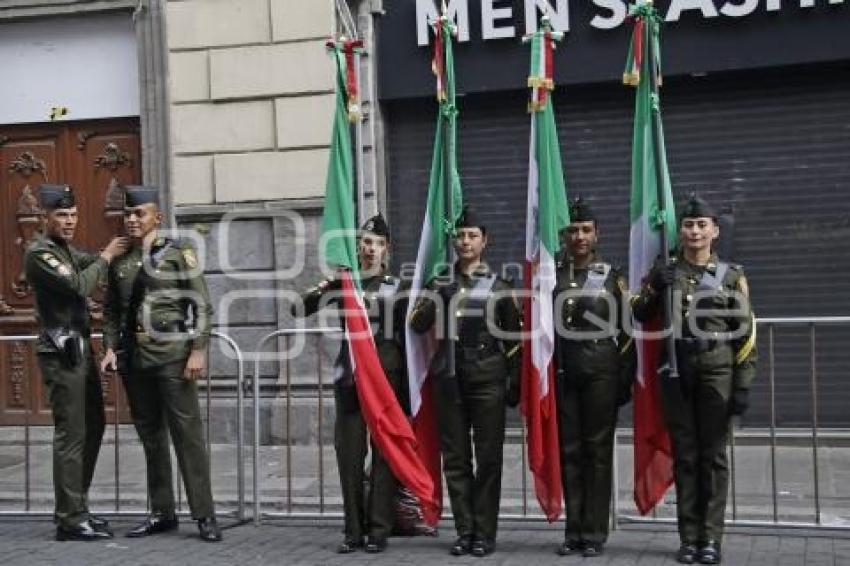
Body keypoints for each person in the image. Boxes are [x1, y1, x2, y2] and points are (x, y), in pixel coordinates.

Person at [632, 194, 757, 565]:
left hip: (717, 370)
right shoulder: (666, 271)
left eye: (702, 225)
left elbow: (747, 334)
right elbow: (639, 312)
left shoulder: (731, 276)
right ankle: (688, 537)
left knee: (713, 457)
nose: (695, 231)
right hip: (675, 370)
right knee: (686, 456)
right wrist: (656, 284)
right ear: (680, 231)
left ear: (714, 231)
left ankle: (711, 539)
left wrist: (744, 384)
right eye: (688, 225)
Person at [100, 185, 221, 542]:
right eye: (128, 214)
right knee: (151, 437)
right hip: (135, 360)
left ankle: (204, 514)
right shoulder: (121, 260)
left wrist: (198, 350)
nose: (133, 220)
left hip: (172, 357)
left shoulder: (177, 252)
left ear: (158, 217)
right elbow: (111, 312)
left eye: (140, 214)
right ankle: (161, 512)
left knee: (188, 437)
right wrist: (109, 347)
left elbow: (200, 303)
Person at [409, 206, 521, 557]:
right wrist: (435, 295)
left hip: (487, 374)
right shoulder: (441, 281)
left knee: (488, 457)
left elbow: (514, 338)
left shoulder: (500, 285)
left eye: (472, 235)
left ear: (484, 241)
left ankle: (485, 532)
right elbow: (416, 323)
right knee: (456, 459)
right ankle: (465, 529)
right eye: (460, 235)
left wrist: (513, 380)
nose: (465, 241)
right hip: (448, 376)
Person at [292, 214, 407, 554]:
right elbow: (298, 309)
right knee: (350, 456)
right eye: (365, 242)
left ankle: (379, 529)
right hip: (351, 380)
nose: (370, 249)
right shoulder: (346, 284)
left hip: (386, 379)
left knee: (384, 455)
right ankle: (353, 529)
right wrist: (330, 282)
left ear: (387, 249)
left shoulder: (396, 287)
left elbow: (409, 337)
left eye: (377, 244)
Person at [24, 184, 127, 541]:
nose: (69, 222)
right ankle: (70, 518)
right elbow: (81, 285)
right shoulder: (40, 253)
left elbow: (92, 263)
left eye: (73, 215)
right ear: (45, 217)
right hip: (60, 350)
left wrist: (122, 251)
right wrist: (108, 256)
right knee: (72, 434)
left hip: (80, 349)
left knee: (94, 426)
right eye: (61, 215)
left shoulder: (64, 249)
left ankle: (76, 505)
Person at [553, 197, 635, 558]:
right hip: (566, 370)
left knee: (597, 453)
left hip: (602, 370)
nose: (579, 236)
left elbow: (629, 330)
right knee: (570, 452)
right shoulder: (553, 275)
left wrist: (624, 377)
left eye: (585, 230)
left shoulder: (613, 276)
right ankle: (573, 531)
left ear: (597, 234)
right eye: (573, 230)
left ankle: (595, 532)